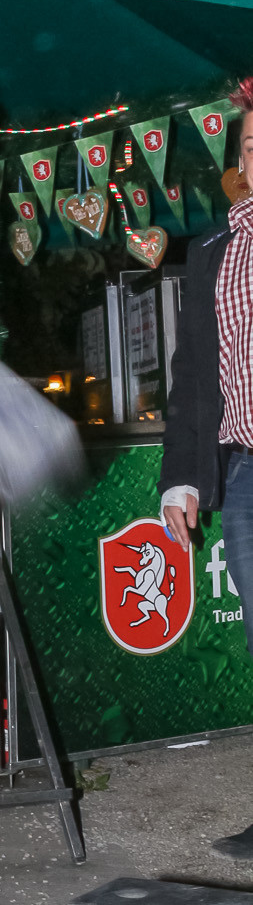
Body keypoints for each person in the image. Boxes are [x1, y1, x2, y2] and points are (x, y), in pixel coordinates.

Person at [161, 78, 253, 860]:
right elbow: (191, 371)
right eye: (250, 144)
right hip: (243, 469)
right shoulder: (212, 248)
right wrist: (181, 477)